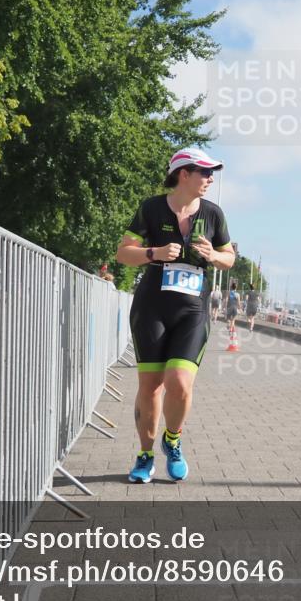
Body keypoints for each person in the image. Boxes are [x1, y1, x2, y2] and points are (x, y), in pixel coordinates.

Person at [115, 147, 236, 483]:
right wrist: (152, 252)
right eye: (205, 172)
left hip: (193, 310)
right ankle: (144, 455)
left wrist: (213, 255)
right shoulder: (151, 208)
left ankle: (173, 439)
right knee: (151, 387)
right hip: (152, 305)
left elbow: (229, 258)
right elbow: (124, 253)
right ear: (184, 174)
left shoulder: (213, 213)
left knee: (179, 383)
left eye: (212, 173)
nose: (210, 179)